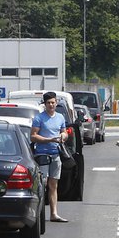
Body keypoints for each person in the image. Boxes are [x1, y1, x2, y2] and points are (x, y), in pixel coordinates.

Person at [31, 91, 69, 222]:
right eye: (48, 103)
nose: (51, 105)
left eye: (53, 102)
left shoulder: (60, 117)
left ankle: (54, 214)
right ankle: (39, 214)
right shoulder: (39, 118)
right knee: (43, 184)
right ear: (44, 104)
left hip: (56, 154)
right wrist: (49, 140)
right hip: (42, 154)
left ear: (56, 103)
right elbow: (33, 136)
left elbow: (64, 132)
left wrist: (63, 136)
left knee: (54, 185)